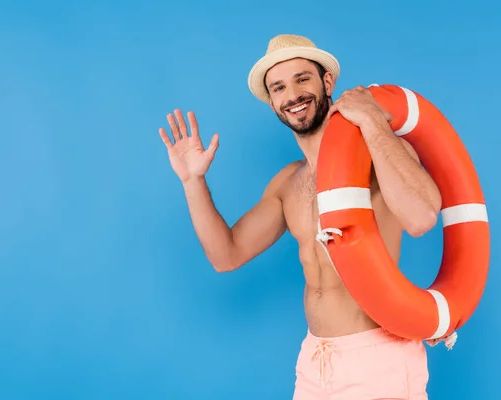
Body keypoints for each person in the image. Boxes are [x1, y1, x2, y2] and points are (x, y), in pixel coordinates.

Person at [158, 34, 442, 400]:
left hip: (378, 357)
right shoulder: (288, 183)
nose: (291, 95)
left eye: (302, 79)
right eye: (278, 87)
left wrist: (371, 120)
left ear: (327, 83)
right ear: (273, 102)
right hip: (316, 362)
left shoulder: (377, 152)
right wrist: (192, 180)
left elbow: (421, 218)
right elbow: (225, 256)